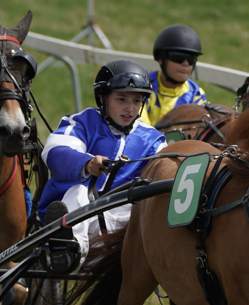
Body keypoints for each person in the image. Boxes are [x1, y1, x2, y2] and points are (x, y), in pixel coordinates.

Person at [40, 59, 166, 261]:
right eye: (121, 99)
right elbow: (55, 151)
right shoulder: (82, 123)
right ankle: (69, 252)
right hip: (77, 213)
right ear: (102, 98)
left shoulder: (152, 140)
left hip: (121, 223)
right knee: (79, 192)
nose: (130, 109)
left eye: (136, 101)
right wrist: (87, 163)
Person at [142, 24, 208, 127]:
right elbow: (139, 127)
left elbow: (197, 131)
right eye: (178, 58)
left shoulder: (196, 95)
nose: (185, 64)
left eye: (191, 60)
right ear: (160, 59)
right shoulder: (143, 86)